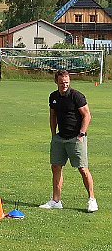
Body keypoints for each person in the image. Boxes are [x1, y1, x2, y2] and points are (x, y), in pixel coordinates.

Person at [39, 69, 98, 212]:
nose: (64, 85)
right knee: (56, 167)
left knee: (83, 169)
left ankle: (92, 200)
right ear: (56, 82)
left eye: (66, 82)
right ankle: (56, 200)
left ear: (69, 81)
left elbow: (87, 115)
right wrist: (54, 135)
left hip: (76, 138)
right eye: (61, 83)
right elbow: (52, 116)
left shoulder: (77, 96)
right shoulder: (53, 97)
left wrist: (81, 134)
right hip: (60, 138)